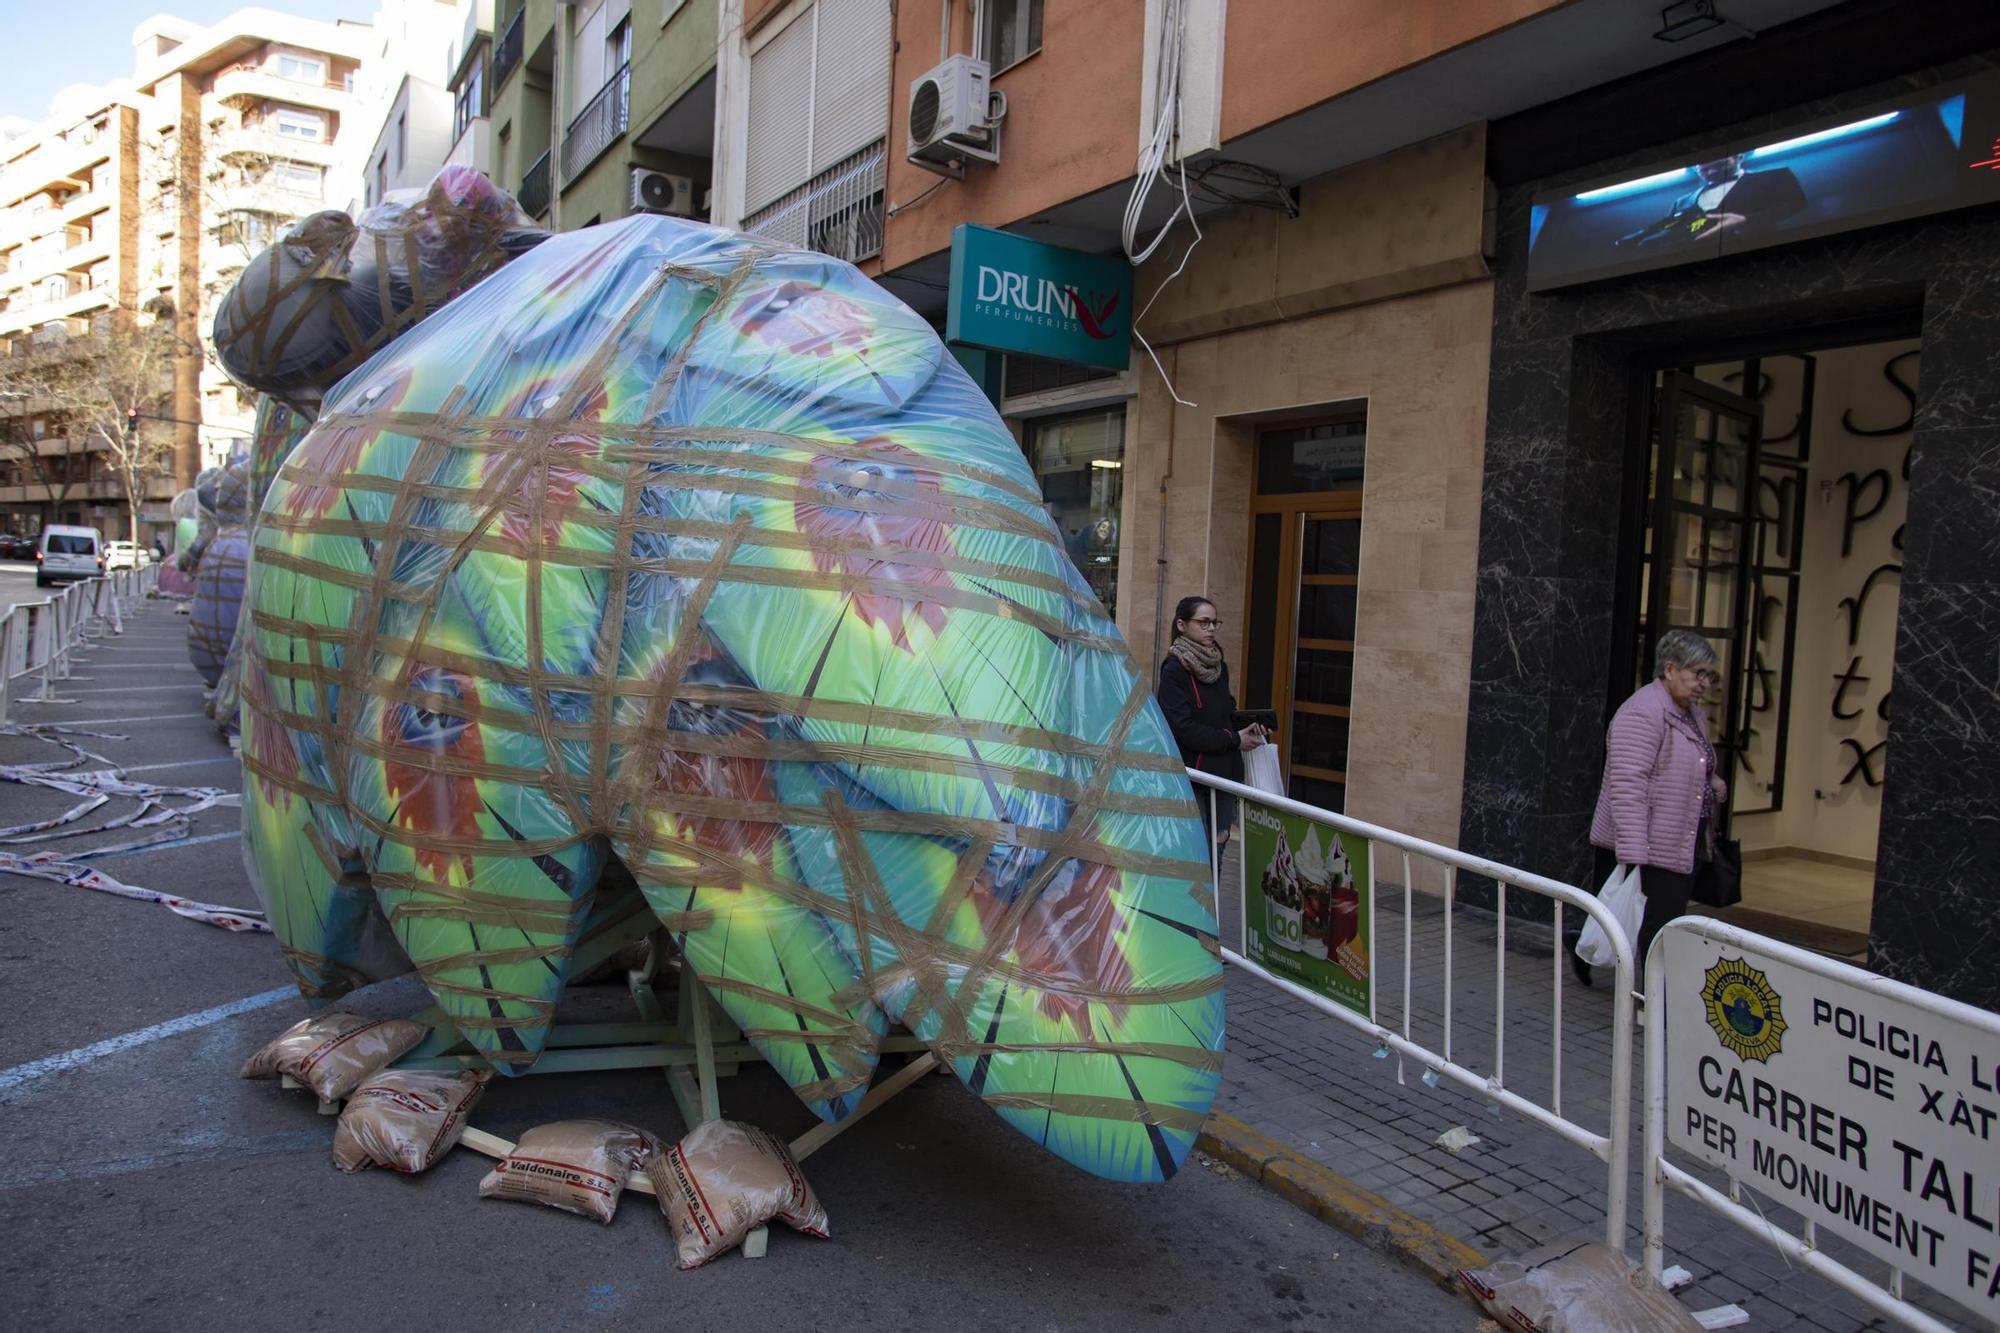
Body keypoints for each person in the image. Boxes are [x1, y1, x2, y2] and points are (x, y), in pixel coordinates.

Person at [1577, 628, 1728, 987]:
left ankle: (1645, 992)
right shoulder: (1643, 713)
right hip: (1654, 844)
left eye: (1708, 675)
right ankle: (1650, 1002)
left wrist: (1712, 781)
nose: (1703, 684)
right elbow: (1627, 785)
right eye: (1697, 674)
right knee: (1656, 927)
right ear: (1671, 669)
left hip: (1683, 837)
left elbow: (1692, 764)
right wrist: (1634, 853)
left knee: (1661, 922)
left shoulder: (1692, 714)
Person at [1157, 596, 1266, 858]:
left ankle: (1213, 899)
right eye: (1203, 622)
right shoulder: (1174, 669)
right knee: (1198, 855)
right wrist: (1233, 739)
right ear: (1182, 625)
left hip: (1224, 775)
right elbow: (1181, 727)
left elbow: (1223, 711)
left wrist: (1247, 724)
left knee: (1217, 851)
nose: (1211, 628)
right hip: (1194, 776)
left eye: (1214, 622)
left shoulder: (1218, 665)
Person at [1615, 153, 1807, 250]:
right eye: (1704, 170)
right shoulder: (1682, 201)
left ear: (1738, 157)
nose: (1712, 173)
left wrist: (1747, 220)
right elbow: (1669, 227)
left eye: (1720, 165)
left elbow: (1796, 204)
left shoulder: (1775, 177)